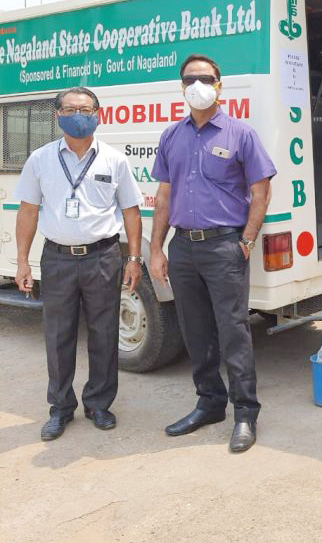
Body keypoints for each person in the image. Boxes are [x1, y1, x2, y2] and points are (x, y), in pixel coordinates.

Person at [149, 54, 276, 453]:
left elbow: (261, 191)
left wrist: (248, 239)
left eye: (206, 78)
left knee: (233, 330)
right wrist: (156, 247)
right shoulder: (172, 136)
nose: (198, 84)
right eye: (190, 79)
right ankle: (209, 403)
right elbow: (164, 196)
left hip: (225, 246)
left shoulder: (240, 134)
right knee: (195, 330)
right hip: (183, 246)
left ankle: (245, 414)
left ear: (220, 85)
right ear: (181, 87)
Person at [14, 87, 143, 441]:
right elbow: (28, 211)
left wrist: (134, 257)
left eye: (85, 109)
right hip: (56, 258)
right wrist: (22, 262)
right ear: (57, 115)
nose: (78, 114)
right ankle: (60, 408)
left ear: (99, 114)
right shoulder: (40, 159)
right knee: (58, 336)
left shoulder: (114, 160)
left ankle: (99, 404)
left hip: (103, 257)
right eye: (70, 109)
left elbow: (131, 211)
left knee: (104, 333)